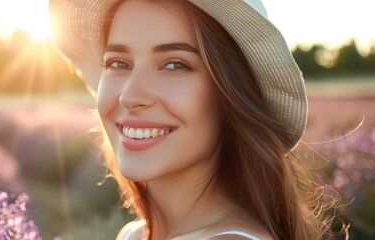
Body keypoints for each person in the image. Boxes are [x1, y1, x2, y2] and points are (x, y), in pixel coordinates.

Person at [50, 0, 334, 239]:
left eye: (175, 65)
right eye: (118, 63)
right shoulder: (134, 234)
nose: (130, 96)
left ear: (231, 95)